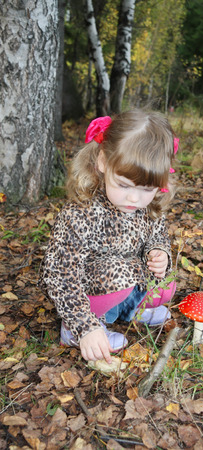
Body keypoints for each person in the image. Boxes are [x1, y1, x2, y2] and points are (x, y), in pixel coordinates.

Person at [39, 109, 178, 364]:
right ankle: (76, 331)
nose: (134, 198)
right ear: (103, 162)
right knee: (119, 272)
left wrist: (158, 252)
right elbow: (60, 273)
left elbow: (158, 231)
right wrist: (84, 326)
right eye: (124, 185)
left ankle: (129, 309)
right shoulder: (81, 213)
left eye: (146, 189)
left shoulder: (146, 206)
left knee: (167, 286)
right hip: (87, 289)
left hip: (126, 280)